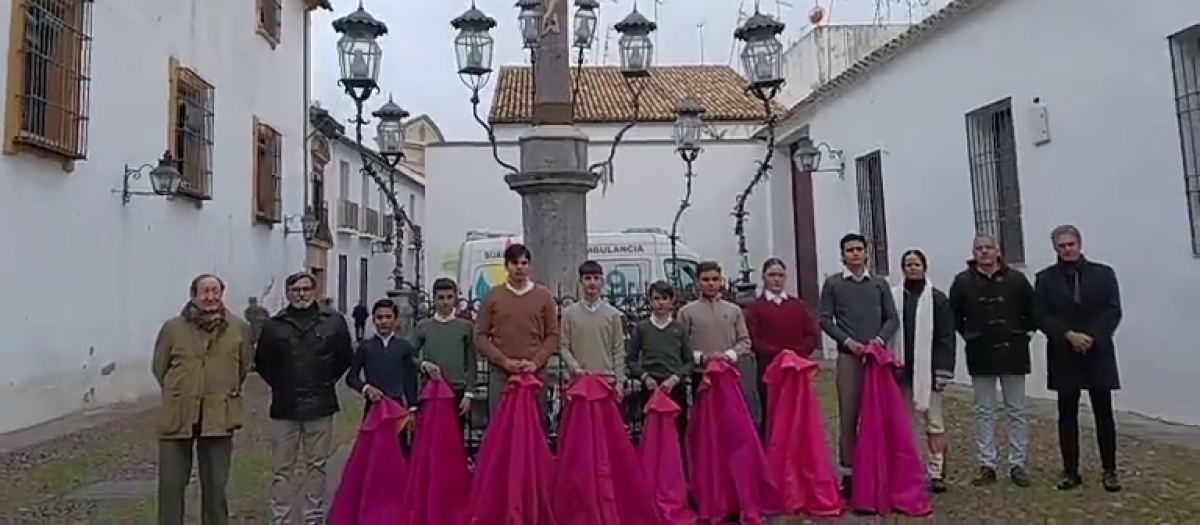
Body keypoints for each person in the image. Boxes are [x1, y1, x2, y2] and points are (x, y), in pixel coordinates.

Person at [255, 272, 354, 525]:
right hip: (284, 405)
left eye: (306, 289)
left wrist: (323, 381)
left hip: (320, 403)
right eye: (296, 290)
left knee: (317, 465)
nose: (301, 294)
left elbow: (344, 357)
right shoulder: (274, 325)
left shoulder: (333, 322)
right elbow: (263, 363)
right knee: (282, 468)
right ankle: (282, 518)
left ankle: (314, 517)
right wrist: (282, 384)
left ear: (315, 291)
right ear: (288, 293)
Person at [154, 274, 251, 525]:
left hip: (219, 415)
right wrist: (181, 390)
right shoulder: (173, 328)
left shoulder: (238, 328)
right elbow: (159, 368)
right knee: (171, 487)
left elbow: (243, 368)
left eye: (215, 291)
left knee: (216, 487)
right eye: (204, 291)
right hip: (179, 414)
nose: (210, 297)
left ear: (222, 294)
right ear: (193, 295)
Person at [1033, 225, 1123, 493]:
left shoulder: (1104, 274)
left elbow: (1113, 310)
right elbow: (1040, 314)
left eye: (1071, 244)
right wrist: (1068, 335)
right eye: (1061, 246)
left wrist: (1092, 336)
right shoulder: (1045, 279)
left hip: (1098, 352)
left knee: (1103, 414)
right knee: (1067, 415)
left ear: (1080, 244)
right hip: (1064, 353)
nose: (1067, 249)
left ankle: (1110, 470)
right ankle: (1070, 471)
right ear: (1055, 248)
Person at [948, 234, 1035, 488]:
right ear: (973, 252)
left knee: (1016, 409)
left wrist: (1023, 334)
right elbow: (955, 316)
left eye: (989, 248)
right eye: (979, 248)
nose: (984, 252)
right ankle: (987, 463)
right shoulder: (962, 282)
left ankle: (1018, 463)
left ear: (998, 251)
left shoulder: (1017, 280)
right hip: (980, 351)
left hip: (1013, 350)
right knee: (984, 410)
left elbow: (1032, 311)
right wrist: (971, 335)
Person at [817, 232, 899, 497]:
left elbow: (892, 318)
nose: (854, 253)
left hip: (876, 358)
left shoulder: (879, 284)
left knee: (876, 414)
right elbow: (825, 319)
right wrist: (848, 342)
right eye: (849, 250)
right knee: (849, 414)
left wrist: (878, 341)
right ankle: (850, 473)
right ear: (843, 255)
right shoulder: (833, 284)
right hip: (849, 357)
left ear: (867, 253)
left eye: (858, 249)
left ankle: (877, 469)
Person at [890, 249, 957, 493]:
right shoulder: (894, 297)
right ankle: (908, 470)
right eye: (907, 264)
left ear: (924, 267)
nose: (912, 268)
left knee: (934, 423)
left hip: (929, 372)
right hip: (901, 371)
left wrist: (943, 370)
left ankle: (936, 471)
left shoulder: (937, 299)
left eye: (916, 264)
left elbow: (946, 337)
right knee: (905, 425)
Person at [473, 243, 560, 417]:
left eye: (524, 263)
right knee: (501, 423)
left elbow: (553, 335)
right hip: (501, 373)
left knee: (534, 423)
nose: (520, 268)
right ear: (506, 266)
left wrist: (535, 362)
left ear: (529, 265)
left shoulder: (544, 296)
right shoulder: (492, 296)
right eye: (515, 263)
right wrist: (504, 361)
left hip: (534, 373)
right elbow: (480, 336)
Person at [744, 257, 820, 438]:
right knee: (772, 413)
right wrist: (779, 354)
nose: (776, 279)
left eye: (780, 275)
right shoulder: (756, 308)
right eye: (772, 275)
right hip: (769, 370)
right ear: (764, 277)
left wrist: (798, 353)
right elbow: (753, 338)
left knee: (797, 413)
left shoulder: (797, 306)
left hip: (796, 370)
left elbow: (812, 334)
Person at [627, 280, 693, 445]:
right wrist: (644, 377)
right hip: (650, 388)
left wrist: (676, 378)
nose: (660, 303)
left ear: (672, 301)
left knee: (677, 433)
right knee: (651, 436)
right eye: (656, 298)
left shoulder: (679, 329)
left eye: (664, 298)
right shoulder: (642, 328)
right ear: (649, 301)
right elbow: (631, 359)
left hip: (674, 388)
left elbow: (689, 362)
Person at [409, 278, 477, 423]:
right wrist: (423, 365)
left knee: (455, 437)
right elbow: (407, 356)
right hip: (431, 390)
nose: (445, 302)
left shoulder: (465, 327)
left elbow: (471, 362)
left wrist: (469, 393)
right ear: (434, 299)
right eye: (441, 298)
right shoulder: (424, 326)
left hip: (456, 389)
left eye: (449, 297)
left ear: (456, 299)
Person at [559, 260, 627, 393]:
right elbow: (563, 346)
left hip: (606, 381)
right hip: (579, 381)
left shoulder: (613, 315)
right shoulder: (569, 314)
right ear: (580, 281)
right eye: (587, 278)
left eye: (596, 278)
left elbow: (618, 349)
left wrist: (619, 382)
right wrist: (575, 367)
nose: (592, 282)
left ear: (602, 282)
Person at [345, 298, 421, 414]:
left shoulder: (404, 347)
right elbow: (351, 377)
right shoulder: (366, 347)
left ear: (396, 320)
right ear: (374, 320)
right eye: (379, 317)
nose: (384, 321)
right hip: (373, 406)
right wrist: (366, 388)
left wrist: (412, 406)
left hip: (397, 406)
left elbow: (410, 379)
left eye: (388, 317)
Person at [678, 261, 751, 377]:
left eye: (715, 279)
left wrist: (728, 355)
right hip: (700, 373)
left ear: (720, 281)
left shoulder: (734, 310)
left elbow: (745, 342)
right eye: (705, 280)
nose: (711, 283)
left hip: (729, 372)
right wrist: (701, 357)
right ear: (697, 282)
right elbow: (680, 344)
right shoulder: (686, 312)